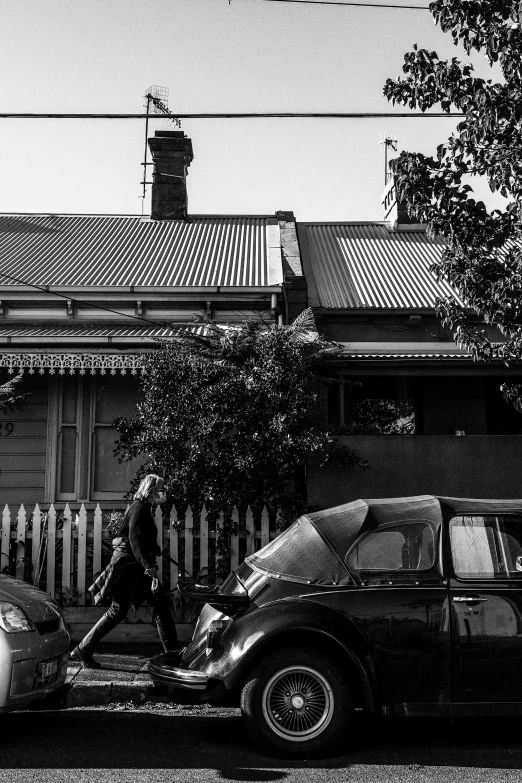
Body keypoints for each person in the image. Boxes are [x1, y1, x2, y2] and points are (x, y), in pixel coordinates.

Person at [71, 474, 181, 668]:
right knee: (118, 611)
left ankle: (173, 654)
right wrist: (149, 565)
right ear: (151, 490)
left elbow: (141, 537)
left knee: (161, 606)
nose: (164, 493)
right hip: (131, 568)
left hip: (137, 568)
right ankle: (83, 649)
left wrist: (153, 550)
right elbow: (135, 539)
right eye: (161, 489)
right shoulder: (139, 509)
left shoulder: (143, 508)